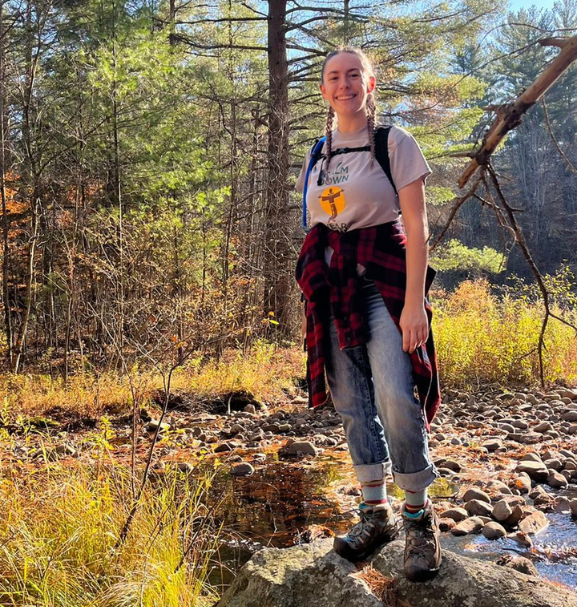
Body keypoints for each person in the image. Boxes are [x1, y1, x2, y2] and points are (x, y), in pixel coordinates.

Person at [295, 48, 442, 583]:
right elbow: (319, 222)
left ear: (370, 83)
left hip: (384, 284)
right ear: (323, 90)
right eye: (334, 77)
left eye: (353, 75)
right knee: (353, 402)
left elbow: (417, 228)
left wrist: (412, 304)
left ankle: (419, 518)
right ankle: (374, 515)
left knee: (396, 395)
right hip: (333, 290)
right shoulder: (318, 151)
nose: (344, 85)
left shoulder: (394, 143)